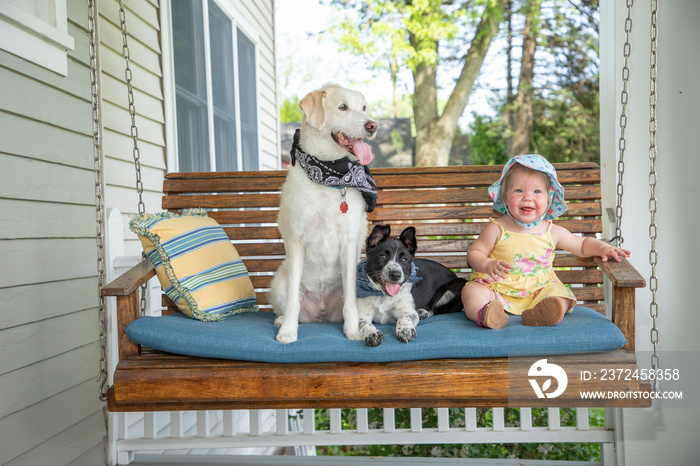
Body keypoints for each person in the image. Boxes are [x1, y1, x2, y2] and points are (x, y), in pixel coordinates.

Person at [461, 154, 631, 328]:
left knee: (560, 294)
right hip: (497, 286)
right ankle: (487, 313)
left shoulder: (552, 231)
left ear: (548, 199)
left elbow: (581, 245)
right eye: (518, 190)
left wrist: (603, 247)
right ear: (504, 197)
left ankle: (546, 312)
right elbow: (474, 253)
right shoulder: (496, 228)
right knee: (472, 291)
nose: (527, 197)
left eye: (537, 191)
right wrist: (488, 264)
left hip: (538, 291)